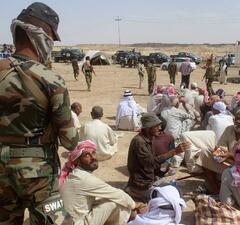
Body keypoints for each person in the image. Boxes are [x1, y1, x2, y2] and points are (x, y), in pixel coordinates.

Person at [0, 2, 79, 224]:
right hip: (39, 175)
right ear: (41, 36)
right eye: (51, 39)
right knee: (58, 220)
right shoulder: (51, 80)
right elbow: (71, 142)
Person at [59, 140, 140, 225]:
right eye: (87, 155)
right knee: (115, 202)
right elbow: (116, 194)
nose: (93, 157)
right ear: (78, 161)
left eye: (93, 153)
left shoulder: (75, 174)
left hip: (72, 221)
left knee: (108, 200)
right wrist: (134, 205)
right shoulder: (84, 178)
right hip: (78, 222)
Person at [125, 113, 190, 202]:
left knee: (176, 191)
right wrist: (174, 151)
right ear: (148, 127)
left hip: (150, 179)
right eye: (156, 126)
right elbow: (150, 163)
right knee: (168, 200)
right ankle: (133, 191)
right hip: (141, 184)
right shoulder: (139, 142)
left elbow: (152, 163)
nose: (160, 128)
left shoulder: (149, 138)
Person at [196, 109, 240, 194]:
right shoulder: (229, 129)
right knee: (205, 152)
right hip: (227, 161)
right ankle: (214, 186)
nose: (237, 121)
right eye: (236, 119)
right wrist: (223, 154)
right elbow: (221, 148)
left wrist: (229, 155)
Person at [161, 96, 195, 167]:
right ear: (177, 104)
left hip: (164, 134)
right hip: (174, 136)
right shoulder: (178, 112)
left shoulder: (163, 109)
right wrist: (185, 105)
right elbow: (192, 117)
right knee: (188, 121)